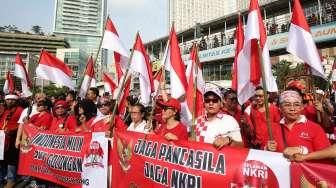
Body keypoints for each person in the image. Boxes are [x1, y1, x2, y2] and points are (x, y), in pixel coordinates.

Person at [266, 90, 331, 160]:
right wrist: (267, 149)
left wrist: (304, 151)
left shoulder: (315, 128)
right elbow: (264, 158)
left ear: (302, 107)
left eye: (296, 105)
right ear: (280, 108)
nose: (292, 109)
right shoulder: (273, 128)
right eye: (287, 105)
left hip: (305, 171)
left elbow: (327, 155)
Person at [0, 94, 23, 188]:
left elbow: (22, 125)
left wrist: (11, 130)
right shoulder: (4, 110)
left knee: (11, 160)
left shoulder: (21, 110)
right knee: (1, 159)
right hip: (2, 139)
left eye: (12, 100)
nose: (9, 101)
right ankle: (2, 178)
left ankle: (11, 179)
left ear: (16, 101)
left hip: (12, 138)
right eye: (8, 100)